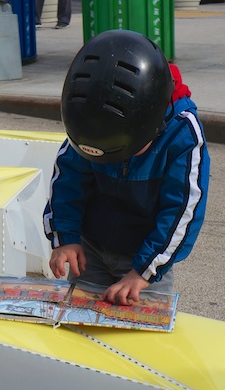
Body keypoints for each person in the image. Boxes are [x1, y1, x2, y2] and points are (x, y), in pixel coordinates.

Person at [43, 29, 210, 305]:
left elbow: (183, 211)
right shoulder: (91, 118)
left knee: (140, 341)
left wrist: (143, 272)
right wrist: (66, 237)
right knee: (79, 327)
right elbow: (66, 180)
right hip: (90, 251)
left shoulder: (183, 134)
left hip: (142, 260)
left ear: (152, 123)